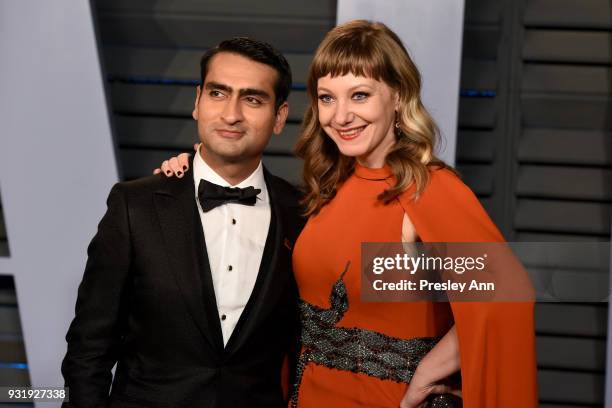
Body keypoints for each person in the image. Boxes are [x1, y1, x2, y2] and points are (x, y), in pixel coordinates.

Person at [160, 20, 538, 407]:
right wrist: (195, 169)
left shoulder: (429, 188)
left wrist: (426, 373)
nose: (340, 117)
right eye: (327, 98)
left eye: (359, 96)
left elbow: (507, 294)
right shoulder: (329, 187)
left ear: (397, 96)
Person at [61, 37, 304, 408]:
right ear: (197, 102)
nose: (231, 114)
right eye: (218, 93)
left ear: (280, 117)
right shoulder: (134, 205)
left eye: (253, 99)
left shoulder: (302, 214)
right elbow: (88, 350)